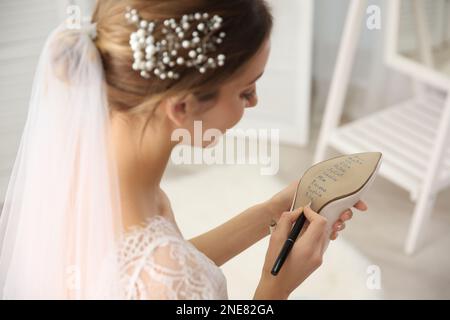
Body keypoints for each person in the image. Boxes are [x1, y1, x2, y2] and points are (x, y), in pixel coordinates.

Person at [0, 0, 367, 299]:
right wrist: (276, 285)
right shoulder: (167, 275)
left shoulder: (77, 168)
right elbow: (169, 278)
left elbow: (170, 266)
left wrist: (272, 211)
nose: (255, 101)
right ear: (182, 108)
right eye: (245, 90)